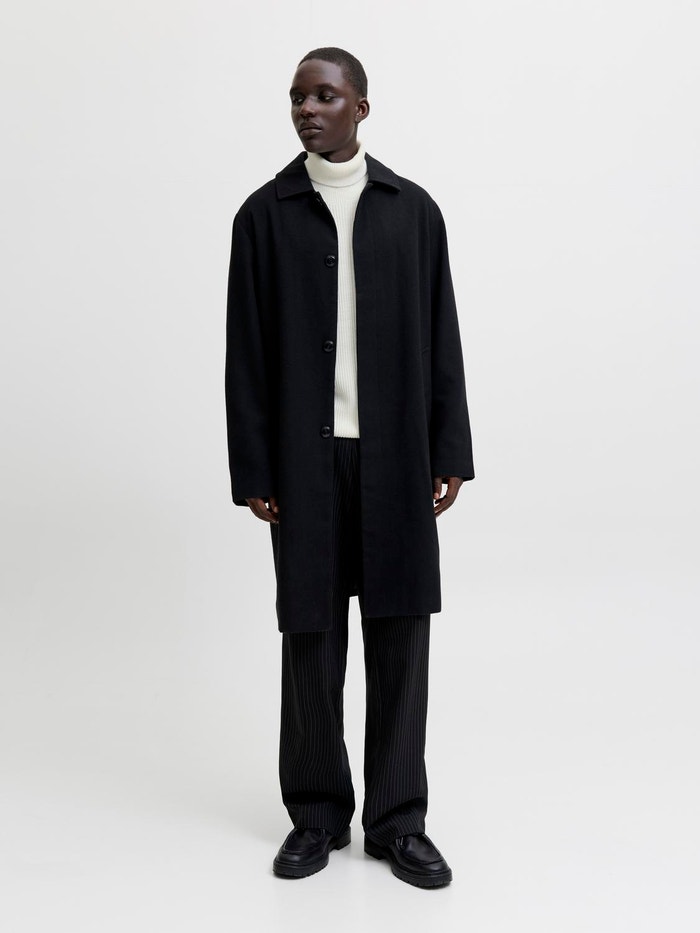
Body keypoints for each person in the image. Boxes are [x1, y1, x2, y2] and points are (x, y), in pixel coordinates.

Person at [225, 47, 474, 888]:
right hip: (304, 462)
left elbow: (441, 334)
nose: (307, 108)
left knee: (401, 633)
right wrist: (255, 466)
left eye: (325, 95)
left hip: (397, 457)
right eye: (298, 96)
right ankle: (316, 813)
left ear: (361, 107)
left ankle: (399, 821)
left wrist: (450, 449)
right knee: (311, 635)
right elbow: (246, 353)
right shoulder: (263, 216)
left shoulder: (413, 212)